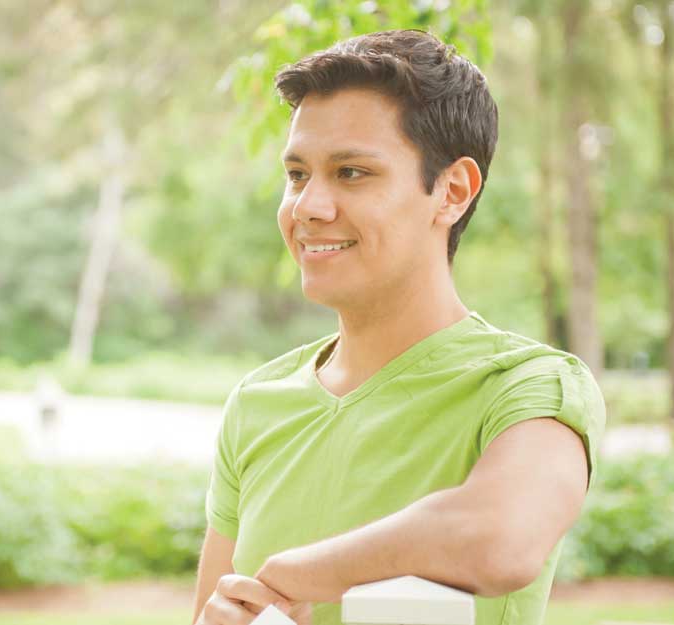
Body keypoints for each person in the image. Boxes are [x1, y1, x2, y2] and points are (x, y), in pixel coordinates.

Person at [192, 29, 605, 625]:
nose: (308, 206)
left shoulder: (528, 388)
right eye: (298, 174)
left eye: (352, 172)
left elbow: (501, 538)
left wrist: (300, 575)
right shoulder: (256, 402)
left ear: (452, 191)